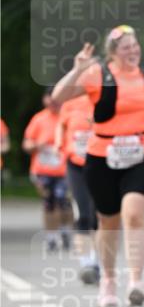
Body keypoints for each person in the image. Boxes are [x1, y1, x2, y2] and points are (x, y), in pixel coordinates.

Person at [52, 25, 144, 307]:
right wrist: (78, 69)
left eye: (135, 46)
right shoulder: (98, 75)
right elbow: (59, 96)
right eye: (126, 47)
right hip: (102, 156)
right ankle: (108, 279)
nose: (133, 51)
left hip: (141, 154)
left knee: (134, 214)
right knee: (108, 220)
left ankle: (136, 282)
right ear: (113, 52)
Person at [55, 93, 99, 284]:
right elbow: (61, 127)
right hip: (76, 165)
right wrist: (59, 144)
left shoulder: (105, 100)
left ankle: (97, 261)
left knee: (99, 215)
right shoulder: (70, 104)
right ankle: (85, 263)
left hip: (101, 164)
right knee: (83, 214)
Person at [22, 90, 72, 252]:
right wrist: (37, 146)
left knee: (63, 201)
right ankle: (51, 237)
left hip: (64, 169)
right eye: (50, 100)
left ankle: (65, 229)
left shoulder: (68, 117)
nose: (53, 104)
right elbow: (27, 144)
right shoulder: (39, 119)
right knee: (49, 202)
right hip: (43, 170)